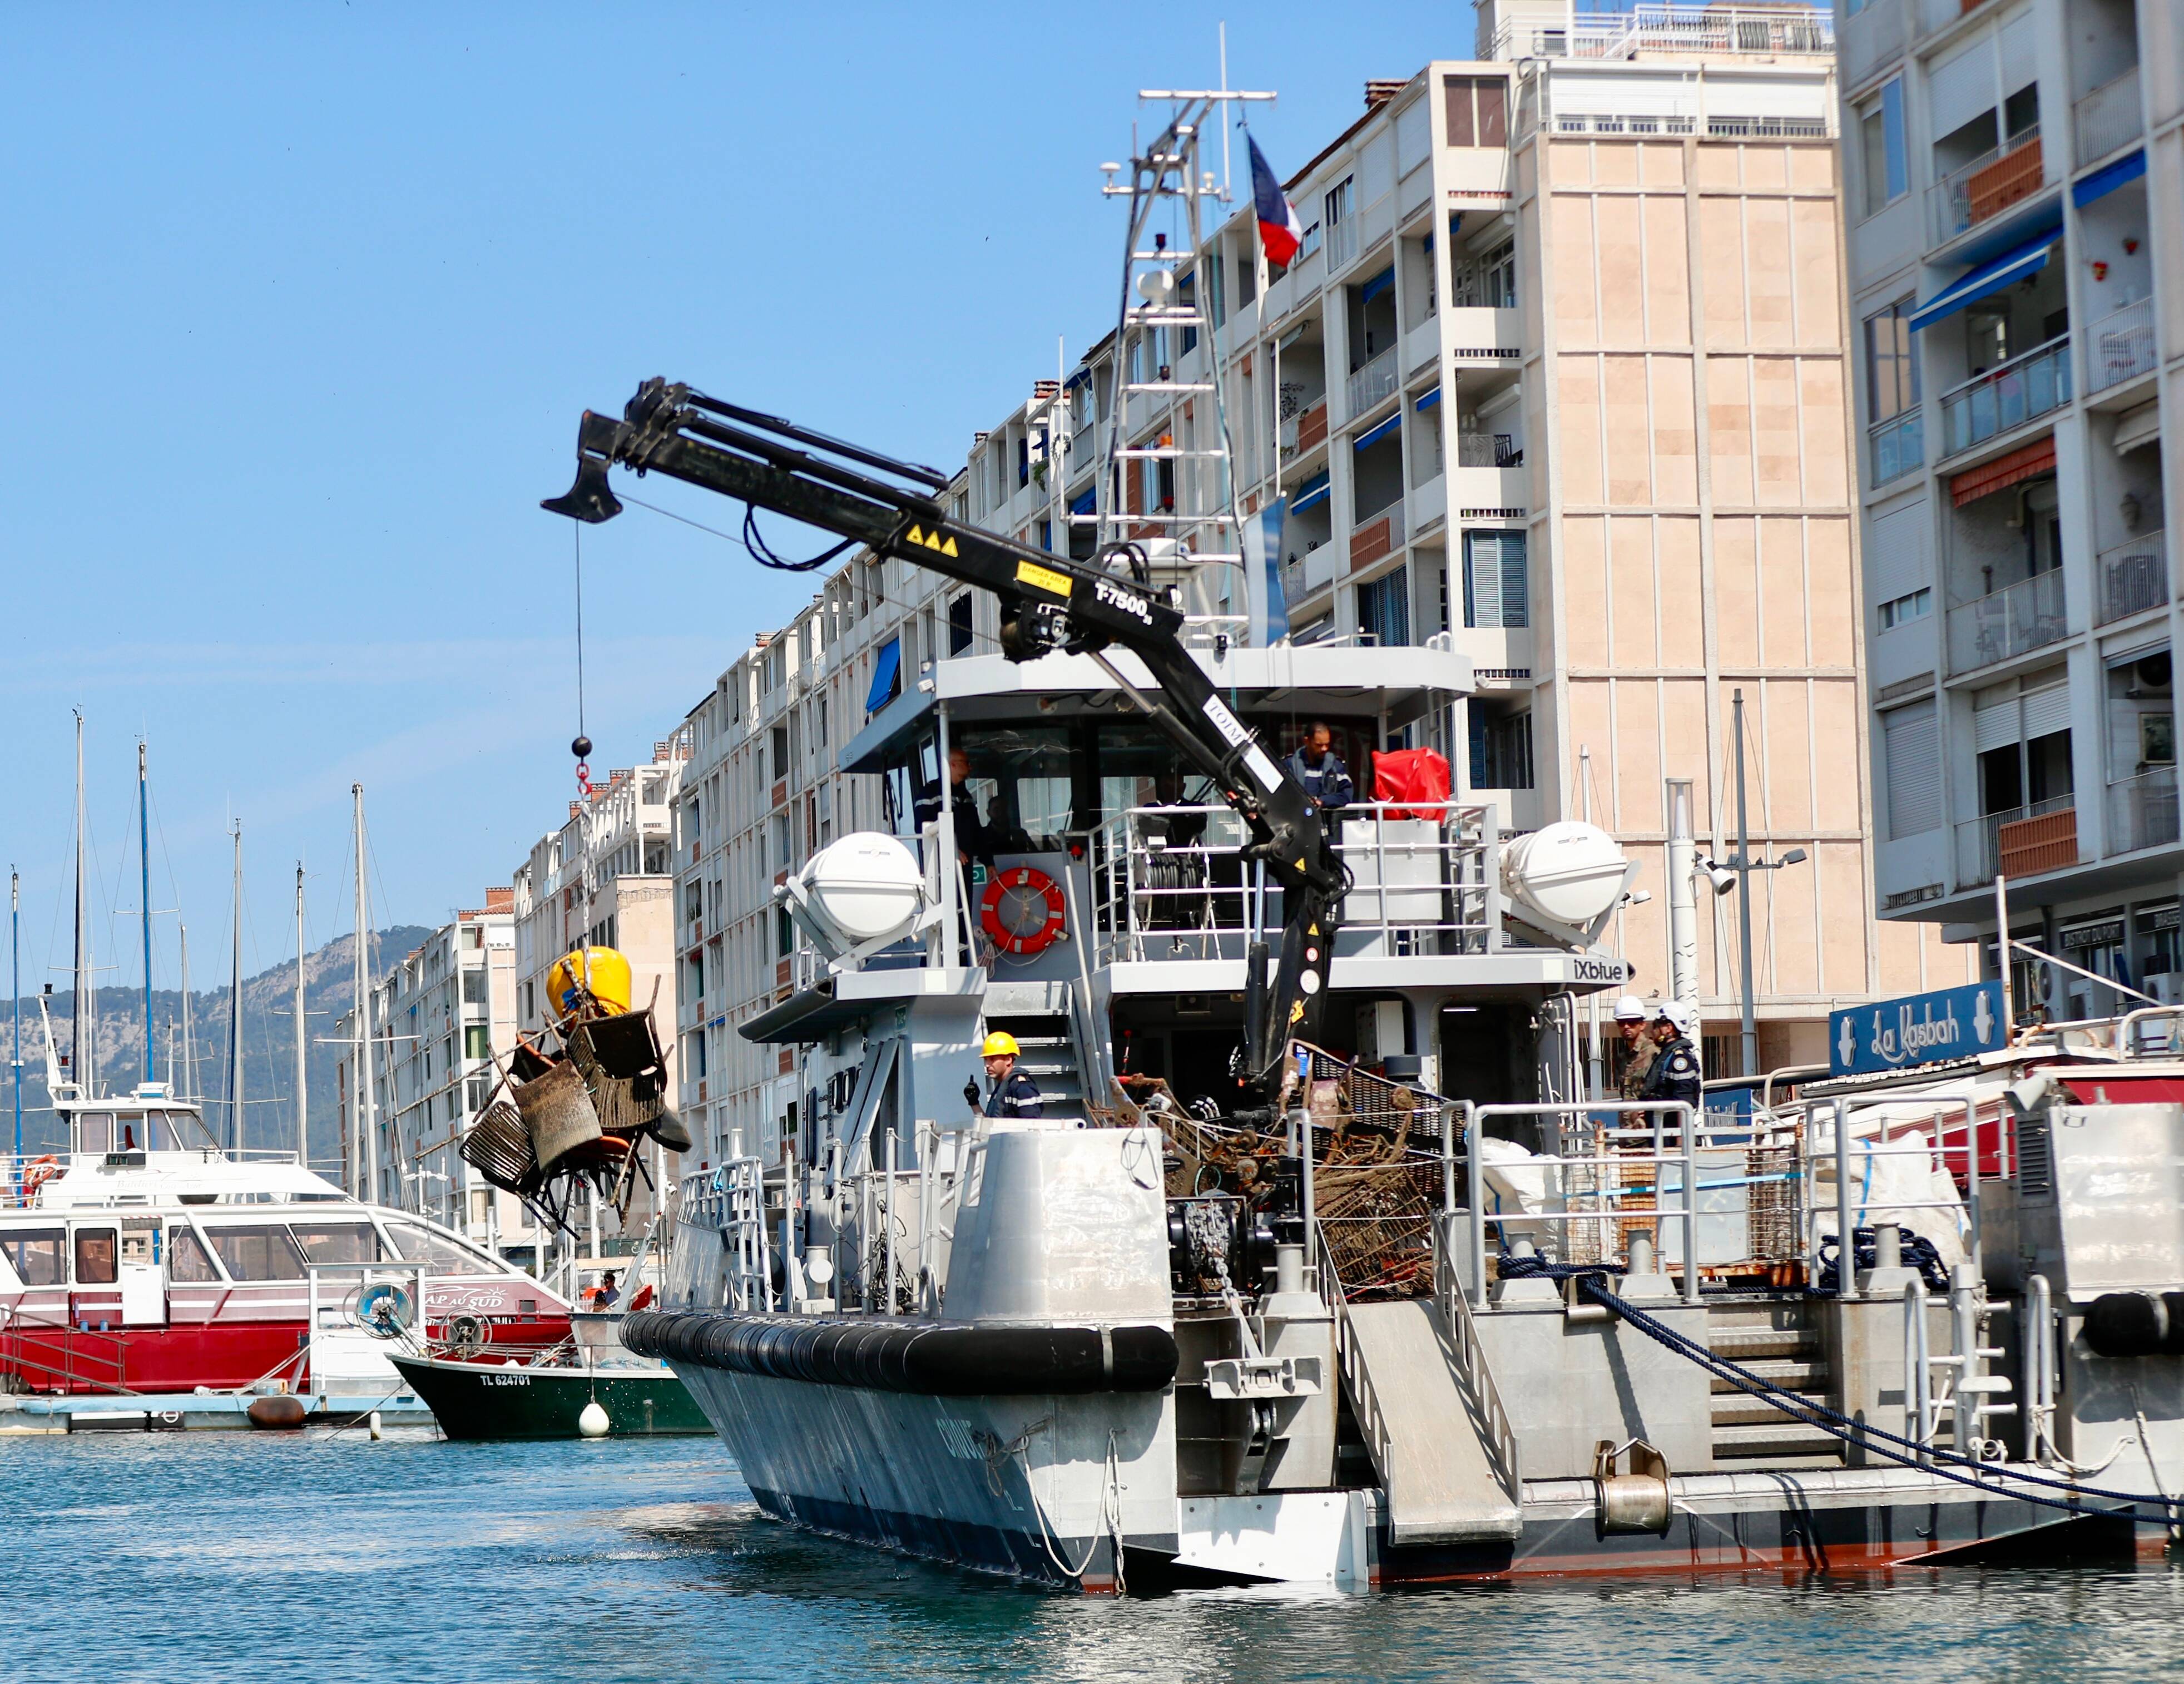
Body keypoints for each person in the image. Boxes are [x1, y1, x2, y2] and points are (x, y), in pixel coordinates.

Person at [1640, 1001, 1703, 1112]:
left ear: (1668, 1028)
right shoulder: (1667, 1054)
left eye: (1655, 1026)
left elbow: (1683, 1101)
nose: (1652, 1031)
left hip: (1670, 1127)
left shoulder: (1679, 1059)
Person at [1285, 722, 1355, 816]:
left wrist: (1323, 801)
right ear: (1307, 741)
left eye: (1327, 744)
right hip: (1296, 824)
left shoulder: (1335, 767)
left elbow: (1346, 795)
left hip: (1325, 826)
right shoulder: (1290, 766)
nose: (1324, 749)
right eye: (1319, 745)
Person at [975, 1030, 1042, 1121]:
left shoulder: (1022, 1089)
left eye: (992, 1059)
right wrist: (974, 1103)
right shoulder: (1003, 1088)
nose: (987, 1065)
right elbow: (990, 1126)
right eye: (986, 1060)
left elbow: (1031, 1127)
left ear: (1008, 1060)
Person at [1613, 994, 1656, 1100]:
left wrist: (1649, 1109)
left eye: (1632, 1022)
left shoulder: (1654, 1052)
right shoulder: (1621, 1059)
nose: (1626, 1027)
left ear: (1642, 1025)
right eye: (1622, 1023)